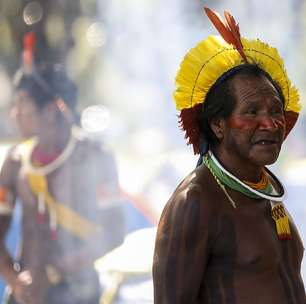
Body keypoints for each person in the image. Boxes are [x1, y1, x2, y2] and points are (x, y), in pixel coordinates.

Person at [153, 7, 305, 304]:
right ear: (218, 125)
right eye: (251, 112)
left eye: (275, 110)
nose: (271, 123)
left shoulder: (264, 192)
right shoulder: (195, 202)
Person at [0, 61, 125, 304]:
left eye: (22, 103)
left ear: (48, 111)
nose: (14, 114)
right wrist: (15, 280)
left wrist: (54, 272)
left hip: (79, 294)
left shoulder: (95, 156)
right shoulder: (15, 162)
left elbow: (115, 230)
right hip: (25, 293)